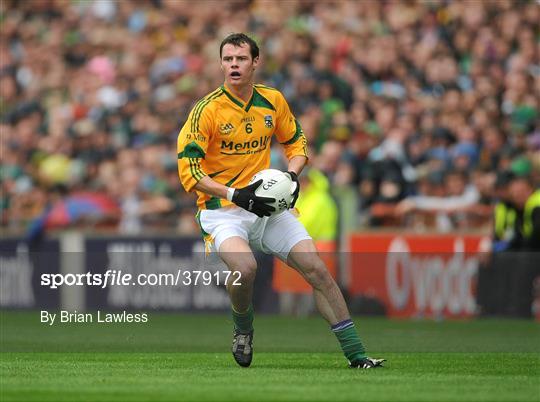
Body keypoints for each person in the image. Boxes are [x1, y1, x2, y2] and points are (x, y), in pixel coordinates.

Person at [177, 33, 384, 369]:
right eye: (228, 59)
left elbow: (297, 143)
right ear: (220, 64)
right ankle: (243, 328)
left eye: (241, 59)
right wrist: (234, 194)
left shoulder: (272, 100)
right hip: (223, 211)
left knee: (317, 269)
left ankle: (357, 355)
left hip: (267, 209)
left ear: (255, 62)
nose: (234, 65)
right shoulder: (206, 111)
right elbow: (190, 172)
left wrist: (291, 175)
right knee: (245, 268)